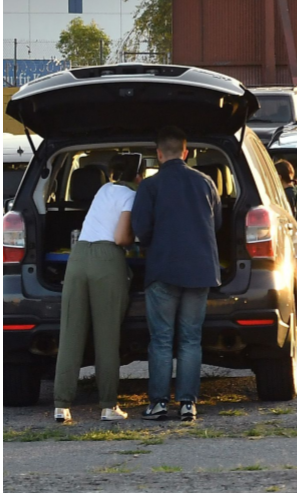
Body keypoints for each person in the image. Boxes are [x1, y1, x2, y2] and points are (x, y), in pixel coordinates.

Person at [130, 126, 221, 422]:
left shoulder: (150, 187)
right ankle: (187, 404)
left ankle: (157, 404)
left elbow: (140, 230)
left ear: (158, 154)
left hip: (163, 270)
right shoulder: (206, 182)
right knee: (191, 339)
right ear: (186, 152)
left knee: (161, 339)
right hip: (200, 270)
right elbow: (217, 223)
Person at [53, 153, 141, 424]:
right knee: (106, 336)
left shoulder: (103, 189)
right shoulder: (131, 195)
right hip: (107, 259)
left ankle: (61, 406)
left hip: (78, 258)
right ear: (139, 176)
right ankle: (107, 406)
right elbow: (121, 237)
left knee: (71, 333)